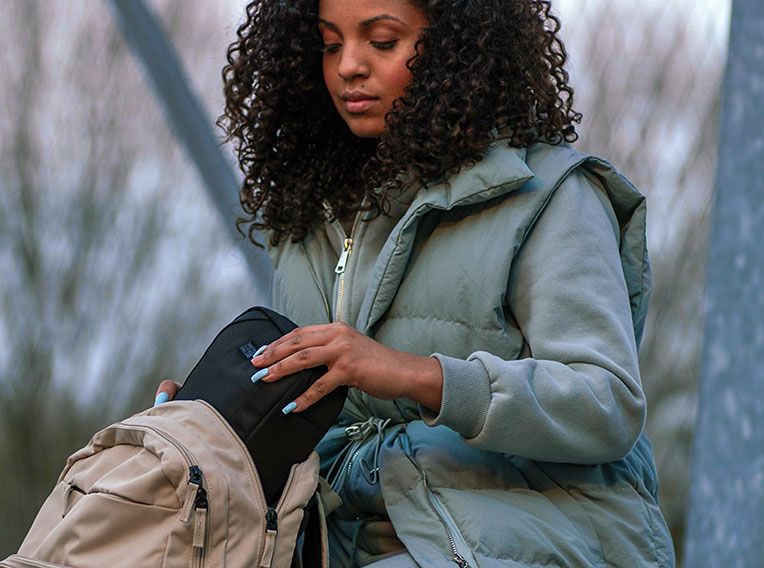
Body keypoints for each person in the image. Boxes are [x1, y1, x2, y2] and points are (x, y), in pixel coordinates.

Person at [158, 0, 676, 565]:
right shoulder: (306, 219)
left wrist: (416, 376)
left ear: (461, 48)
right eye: (331, 45)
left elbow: (607, 405)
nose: (349, 66)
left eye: (381, 42)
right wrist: (213, 423)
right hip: (339, 540)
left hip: (537, 537)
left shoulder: (551, 196)